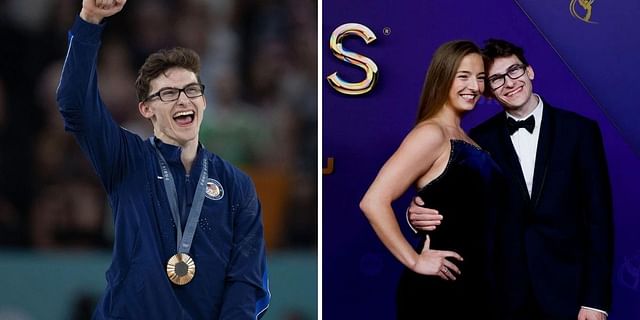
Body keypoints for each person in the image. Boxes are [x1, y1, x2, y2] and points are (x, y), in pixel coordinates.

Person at [56, 1, 270, 319]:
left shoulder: (236, 185)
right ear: (146, 109)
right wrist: (90, 20)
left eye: (191, 90)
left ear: (204, 100)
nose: (183, 99)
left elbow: (246, 280)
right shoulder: (127, 160)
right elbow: (74, 104)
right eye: (168, 93)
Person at [408, 39, 613, 320]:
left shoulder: (580, 132)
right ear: (489, 91)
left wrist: (595, 301)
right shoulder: (477, 141)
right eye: (496, 79)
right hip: (499, 295)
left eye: (514, 71)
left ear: (530, 71)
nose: (509, 83)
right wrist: (417, 213)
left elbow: (599, 220)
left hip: (569, 291)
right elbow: (459, 204)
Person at [359, 40, 504, 319]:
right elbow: (373, 201)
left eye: (480, 78)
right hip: (442, 292)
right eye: (463, 76)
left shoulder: (464, 137)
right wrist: (415, 261)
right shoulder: (431, 134)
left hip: (476, 287)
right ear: (443, 76)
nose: (474, 87)